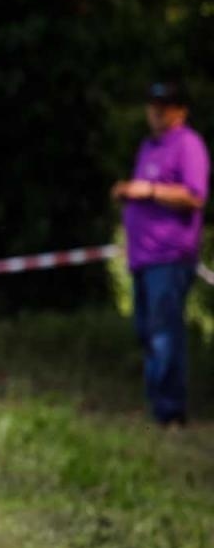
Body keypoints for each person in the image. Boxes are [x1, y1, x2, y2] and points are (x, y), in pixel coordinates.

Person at [112, 81, 208, 426]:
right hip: (143, 256)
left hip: (170, 256)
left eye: (164, 106)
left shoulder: (188, 145)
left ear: (180, 111)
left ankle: (171, 415)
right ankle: (157, 407)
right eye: (152, 105)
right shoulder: (148, 147)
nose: (156, 112)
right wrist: (131, 195)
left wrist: (150, 190)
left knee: (165, 333)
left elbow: (195, 196)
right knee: (147, 332)